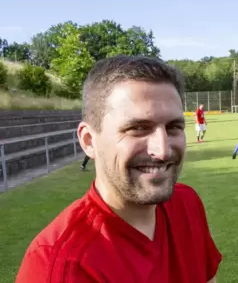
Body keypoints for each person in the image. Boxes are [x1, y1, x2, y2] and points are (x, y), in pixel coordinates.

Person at [16, 56, 222, 283]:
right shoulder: (59, 268)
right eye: (137, 128)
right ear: (89, 141)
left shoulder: (187, 204)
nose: (162, 151)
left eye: (173, 127)